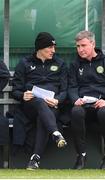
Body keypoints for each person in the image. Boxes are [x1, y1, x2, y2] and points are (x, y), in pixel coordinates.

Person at [12, 32, 68, 170]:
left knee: (43, 116)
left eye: (54, 47)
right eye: (50, 47)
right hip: (30, 106)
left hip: (52, 106)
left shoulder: (60, 64)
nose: (53, 51)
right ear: (40, 48)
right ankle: (56, 133)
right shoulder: (25, 63)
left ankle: (35, 158)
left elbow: (65, 90)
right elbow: (16, 90)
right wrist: (22, 95)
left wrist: (57, 101)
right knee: (39, 101)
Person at [68, 30, 105, 170]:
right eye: (78, 46)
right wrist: (75, 99)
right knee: (75, 111)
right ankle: (81, 155)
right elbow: (72, 87)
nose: (80, 49)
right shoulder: (75, 65)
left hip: (101, 104)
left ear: (93, 44)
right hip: (84, 105)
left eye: (83, 45)